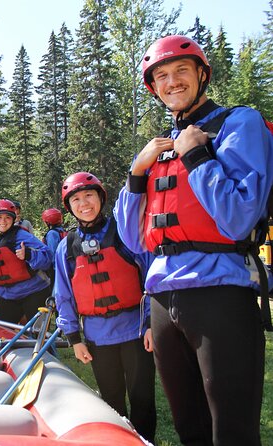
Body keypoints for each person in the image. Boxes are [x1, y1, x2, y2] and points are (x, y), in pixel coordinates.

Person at [114, 35, 273, 445]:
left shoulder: (240, 123)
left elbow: (238, 217)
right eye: (162, 76)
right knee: (190, 431)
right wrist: (136, 173)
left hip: (220, 293)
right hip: (164, 302)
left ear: (202, 74)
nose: (172, 82)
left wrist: (197, 156)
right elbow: (134, 240)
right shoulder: (158, 149)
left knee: (230, 432)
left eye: (182, 71)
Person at [54, 172, 156, 443]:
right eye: (75, 199)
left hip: (135, 332)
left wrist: (150, 324)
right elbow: (63, 295)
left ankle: (144, 441)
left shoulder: (125, 233)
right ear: (70, 207)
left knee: (143, 397)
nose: (83, 203)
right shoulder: (66, 248)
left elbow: (151, 280)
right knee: (111, 401)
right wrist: (74, 339)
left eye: (89, 195)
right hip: (99, 337)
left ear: (100, 197)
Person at [0, 199, 53, 324]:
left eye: (8, 217)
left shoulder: (22, 236)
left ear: (13, 219)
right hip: (7, 296)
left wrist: (29, 254)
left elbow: (48, 257)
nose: (3, 221)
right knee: (4, 335)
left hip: (34, 292)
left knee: (38, 335)